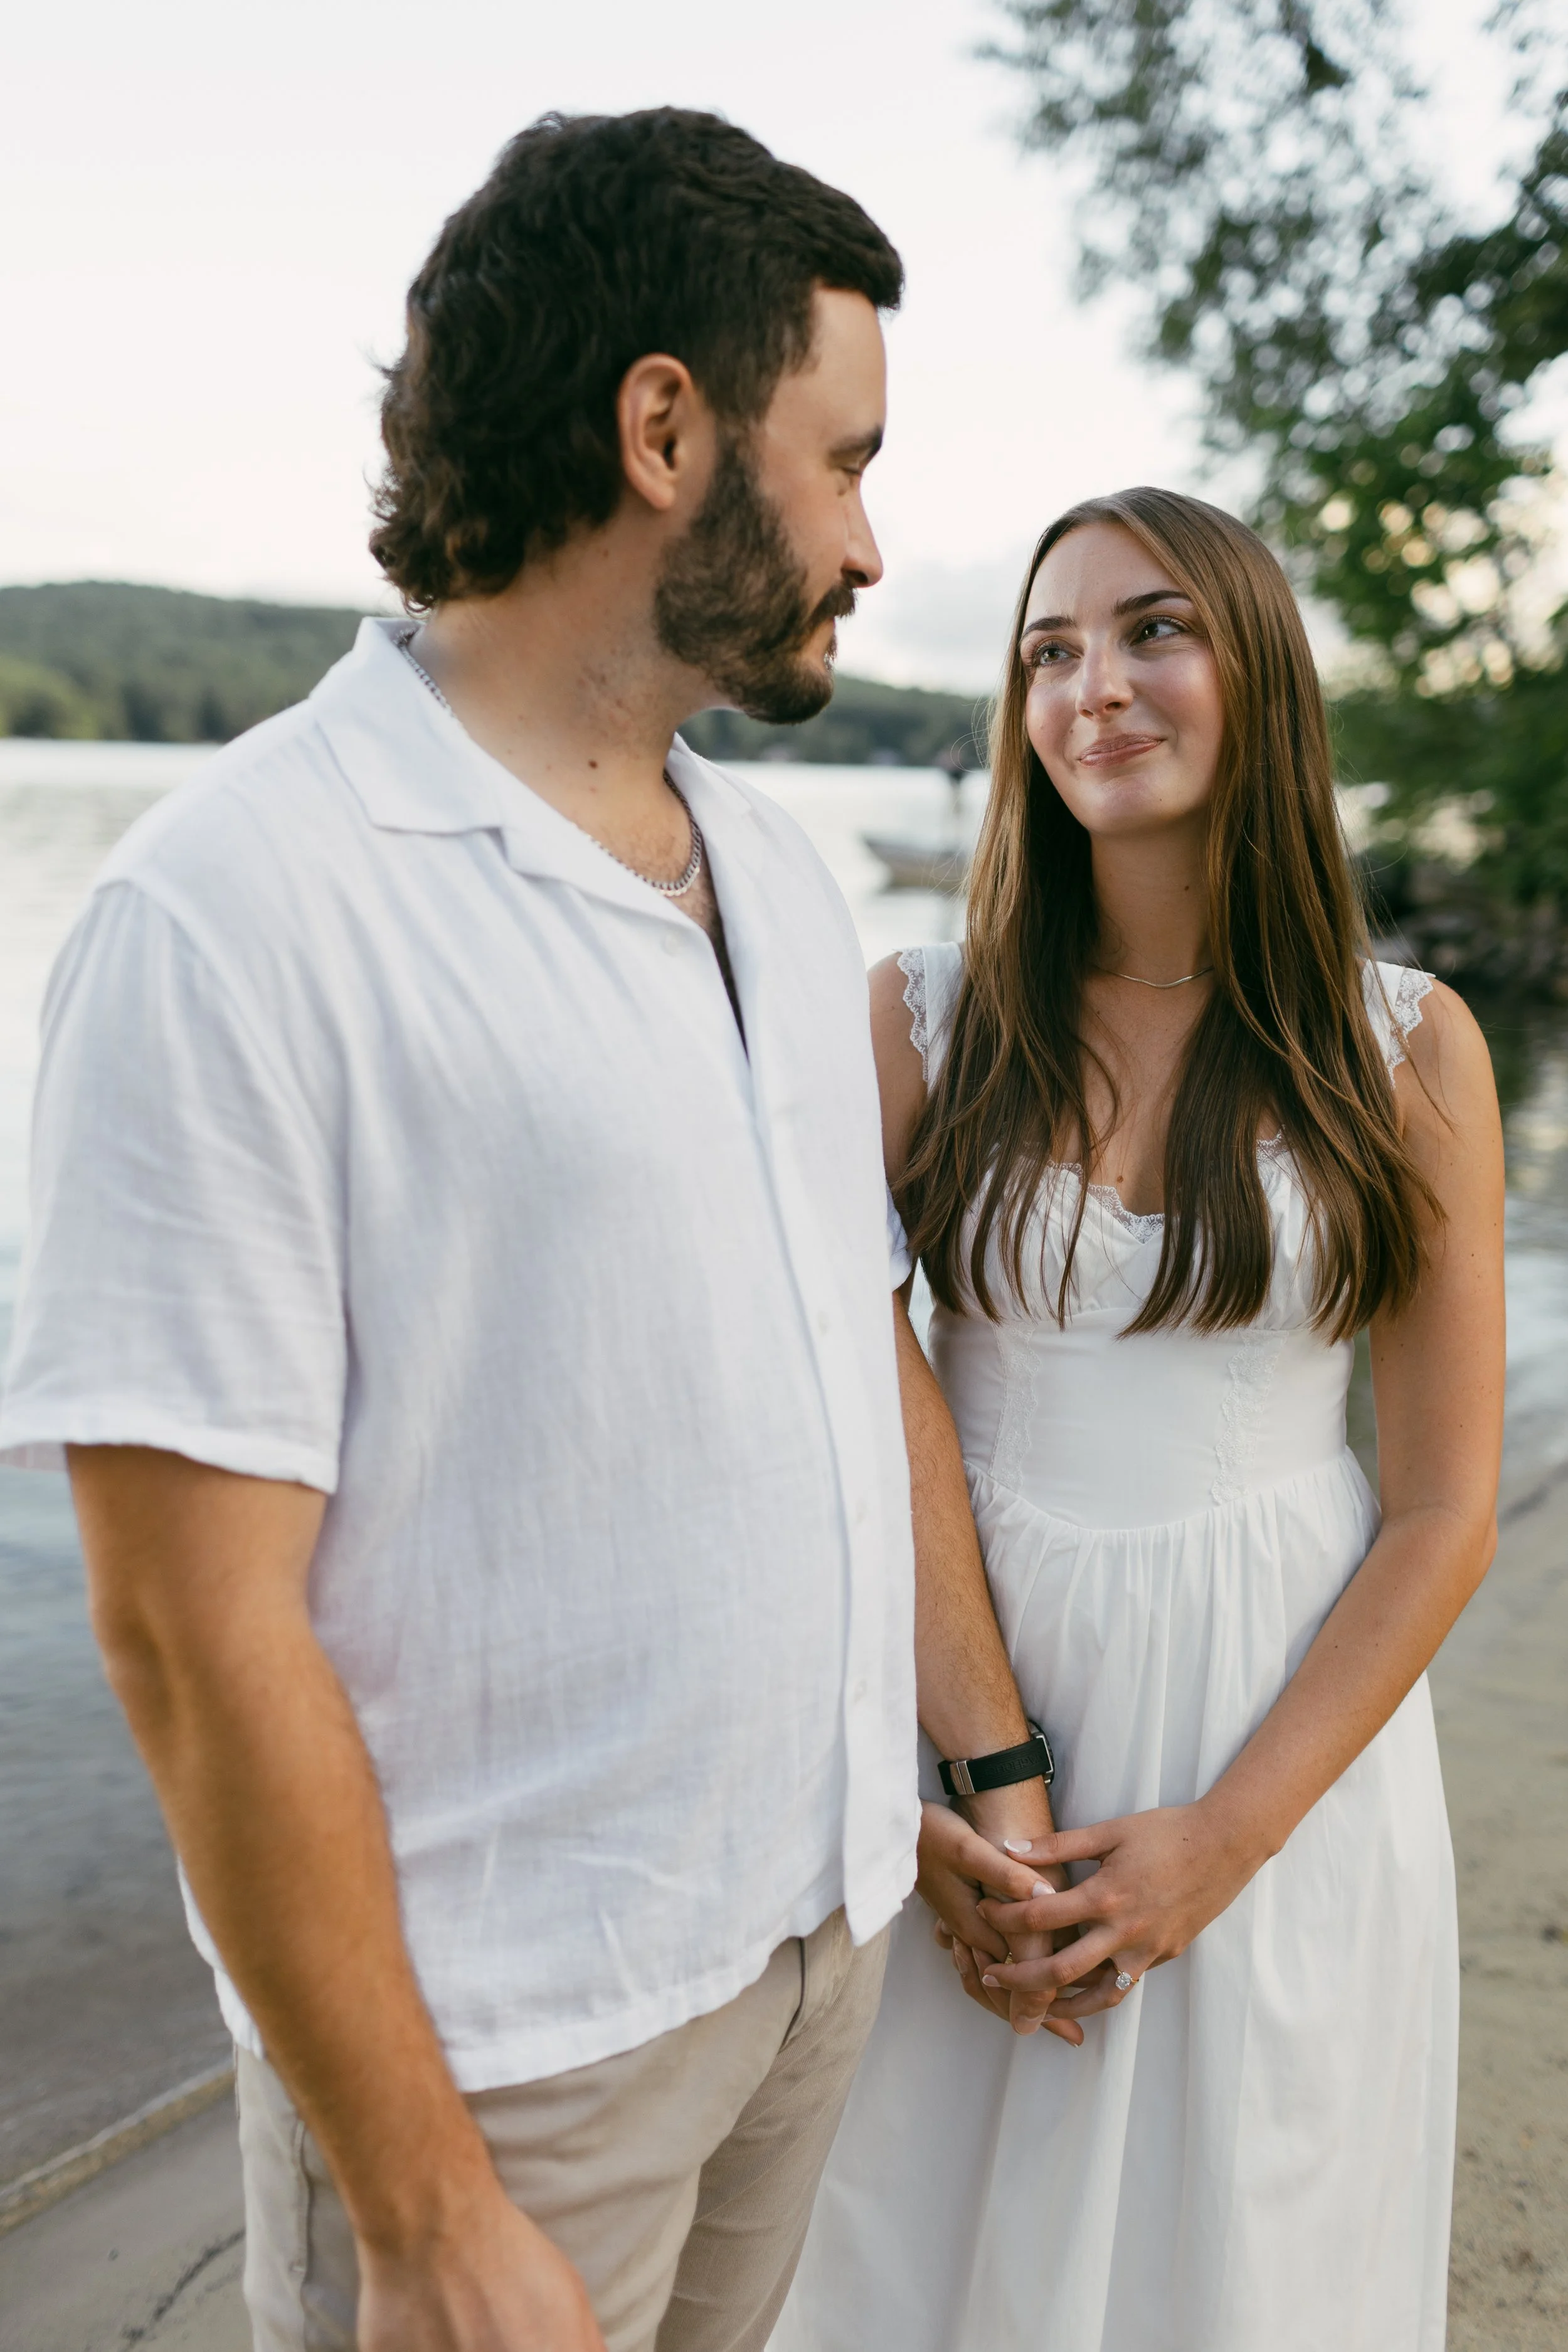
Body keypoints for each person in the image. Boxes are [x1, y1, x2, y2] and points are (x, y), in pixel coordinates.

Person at [0, 110, 1054, 2352]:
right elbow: (191, 1631)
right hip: (510, 2051)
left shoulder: (783, 881)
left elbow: (849, 1350)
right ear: (663, 426)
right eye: (844, 457)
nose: (872, 543)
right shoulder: (234, 912)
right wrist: (420, 2204)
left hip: (814, 1950)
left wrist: (956, 1766)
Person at [772, 487, 1504, 2351]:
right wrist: (961, 1774)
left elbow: (1440, 1505)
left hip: (1277, 1737)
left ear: (1256, 672)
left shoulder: (1403, 1046)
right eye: (1047, 650)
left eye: (1151, 631)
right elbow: (835, 1373)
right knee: (911, 2249)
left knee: (1247, 2262)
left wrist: (1231, 1835)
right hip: (971, 1717)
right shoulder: (920, 1020)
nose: (1094, 683)